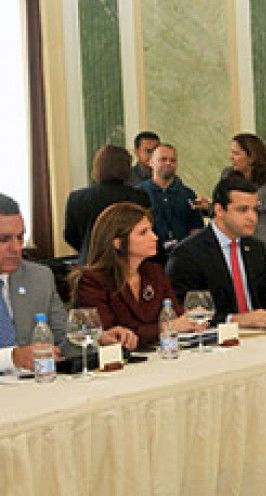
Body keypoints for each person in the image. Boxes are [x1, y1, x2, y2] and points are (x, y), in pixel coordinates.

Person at [0, 193, 129, 372]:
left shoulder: (38, 277)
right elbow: (17, 356)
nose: (16, 248)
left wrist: (97, 340)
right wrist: (11, 358)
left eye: (20, 237)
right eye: (4, 239)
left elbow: (63, 339)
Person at [72, 203, 197, 347]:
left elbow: (173, 313)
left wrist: (191, 319)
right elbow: (109, 334)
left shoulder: (155, 272)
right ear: (118, 243)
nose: (155, 237)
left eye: (152, 230)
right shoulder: (93, 280)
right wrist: (166, 328)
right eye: (143, 232)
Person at [167, 175, 266, 328]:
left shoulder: (255, 248)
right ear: (219, 210)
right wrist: (234, 320)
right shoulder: (188, 254)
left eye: (255, 209)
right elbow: (184, 313)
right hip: (217, 337)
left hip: (261, 333)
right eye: (242, 210)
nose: (252, 218)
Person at [63, 144, 151, 262]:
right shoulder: (139, 197)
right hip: (127, 260)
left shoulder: (77, 197)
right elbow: (145, 231)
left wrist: (89, 248)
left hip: (90, 261)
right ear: (127, 168)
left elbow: (70, 236)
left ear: (97, 167)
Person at [222, 133, 266, 270]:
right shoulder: (227, 176)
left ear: (251, 157)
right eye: (231, 153)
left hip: (263, 249)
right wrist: (208, 207)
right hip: (231, 248)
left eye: (236, 153)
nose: (231, 157)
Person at [136, 143, 206, 259]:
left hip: (182, 257)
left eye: (172, 160)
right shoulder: (139, 193)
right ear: (150, 162)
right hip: (150, 258)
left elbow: (196, 228)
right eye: (163, 159)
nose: (168, 163)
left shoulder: (188, 194)